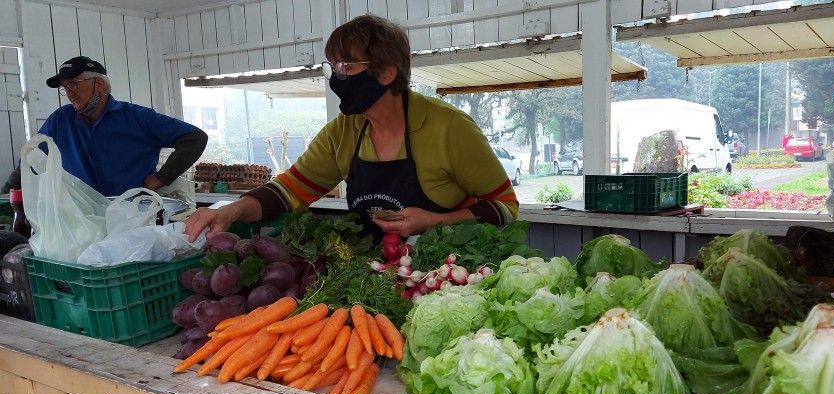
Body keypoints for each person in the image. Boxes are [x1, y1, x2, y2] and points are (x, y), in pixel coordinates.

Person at [186, 15, 518, 242]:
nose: (336, 77)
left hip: (448, 278)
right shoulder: (342, 132)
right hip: (374, 279)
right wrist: (230, 210)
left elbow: (505, 206)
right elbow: (288, 192)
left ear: (387, 73)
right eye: (332, 66)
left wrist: (435, 222)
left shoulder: (449, 128)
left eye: (346, 66)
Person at [2, 56, 207, 197]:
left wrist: (161, 178)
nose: (69, 92)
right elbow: (30, 159)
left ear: (98, 84)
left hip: (132, 216)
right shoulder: (61, 120)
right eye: (65, 88)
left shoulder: (136, 117)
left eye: (73, 83)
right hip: (82, 219)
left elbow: (194, 138)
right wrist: (6, 194)